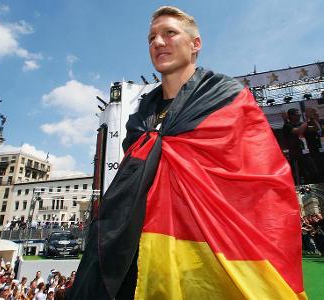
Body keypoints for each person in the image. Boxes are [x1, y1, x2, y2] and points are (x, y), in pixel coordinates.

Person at [68, 5, 305, 300]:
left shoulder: (226, 96)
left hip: (206, 252)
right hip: (135, 253)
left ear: (195, 45)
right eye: (152, 37)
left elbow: (262, 178)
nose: (158, 42)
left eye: (169, 33)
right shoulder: (140, 119)